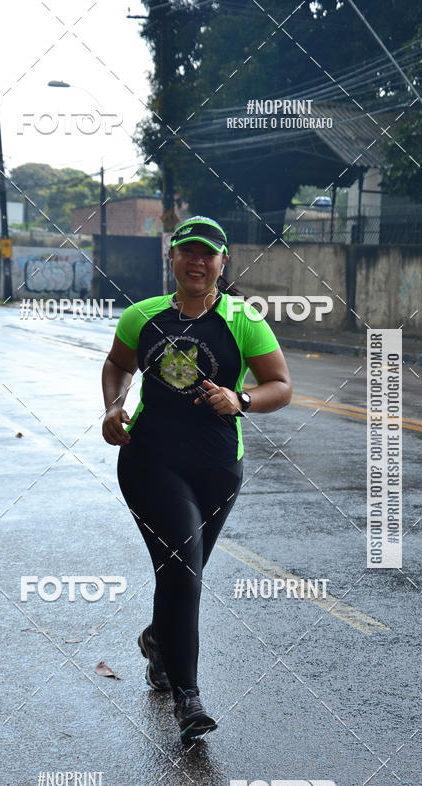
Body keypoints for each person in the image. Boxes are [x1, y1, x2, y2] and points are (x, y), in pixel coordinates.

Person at [101, 216, 292, 740]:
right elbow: (117, 365)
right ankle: (188, 697)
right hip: (149, 462)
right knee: (184, 568)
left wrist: (241, 398)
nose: (197, 261)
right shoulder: (143, 316)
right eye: (187, 251)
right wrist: (113, 406)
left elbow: (280, 386)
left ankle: (159, 641)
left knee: (180, 574)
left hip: (218, 469)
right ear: (172, 257)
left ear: (222, 262)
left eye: (208, 253)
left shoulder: (243, 320)